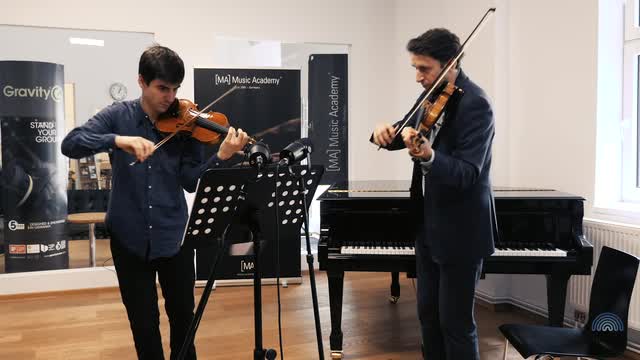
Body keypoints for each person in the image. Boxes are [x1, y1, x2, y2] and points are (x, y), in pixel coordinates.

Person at [62, 45, 249, 360]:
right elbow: (71, 143)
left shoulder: (187, 124)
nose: (170, 97)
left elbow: (190, 180)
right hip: (129, 238)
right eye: (162, 88)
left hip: (173, 237)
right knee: (144, 325)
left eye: (175, 89)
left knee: (183, 323)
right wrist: (116, 140)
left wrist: (221, 156)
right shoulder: (118, 115)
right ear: (141, 82)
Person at [371, 28, 497, 360]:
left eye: (424, 68)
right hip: (428, 228)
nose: (417, 76)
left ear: (450, 63)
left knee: (456, 324)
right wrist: (382, 133)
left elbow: (469, 173)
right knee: (428, 316)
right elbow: (405, 130)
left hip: (461, 232)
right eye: (415, 68)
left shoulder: (476, 105)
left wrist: (430, 157)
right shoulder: (432, 95)